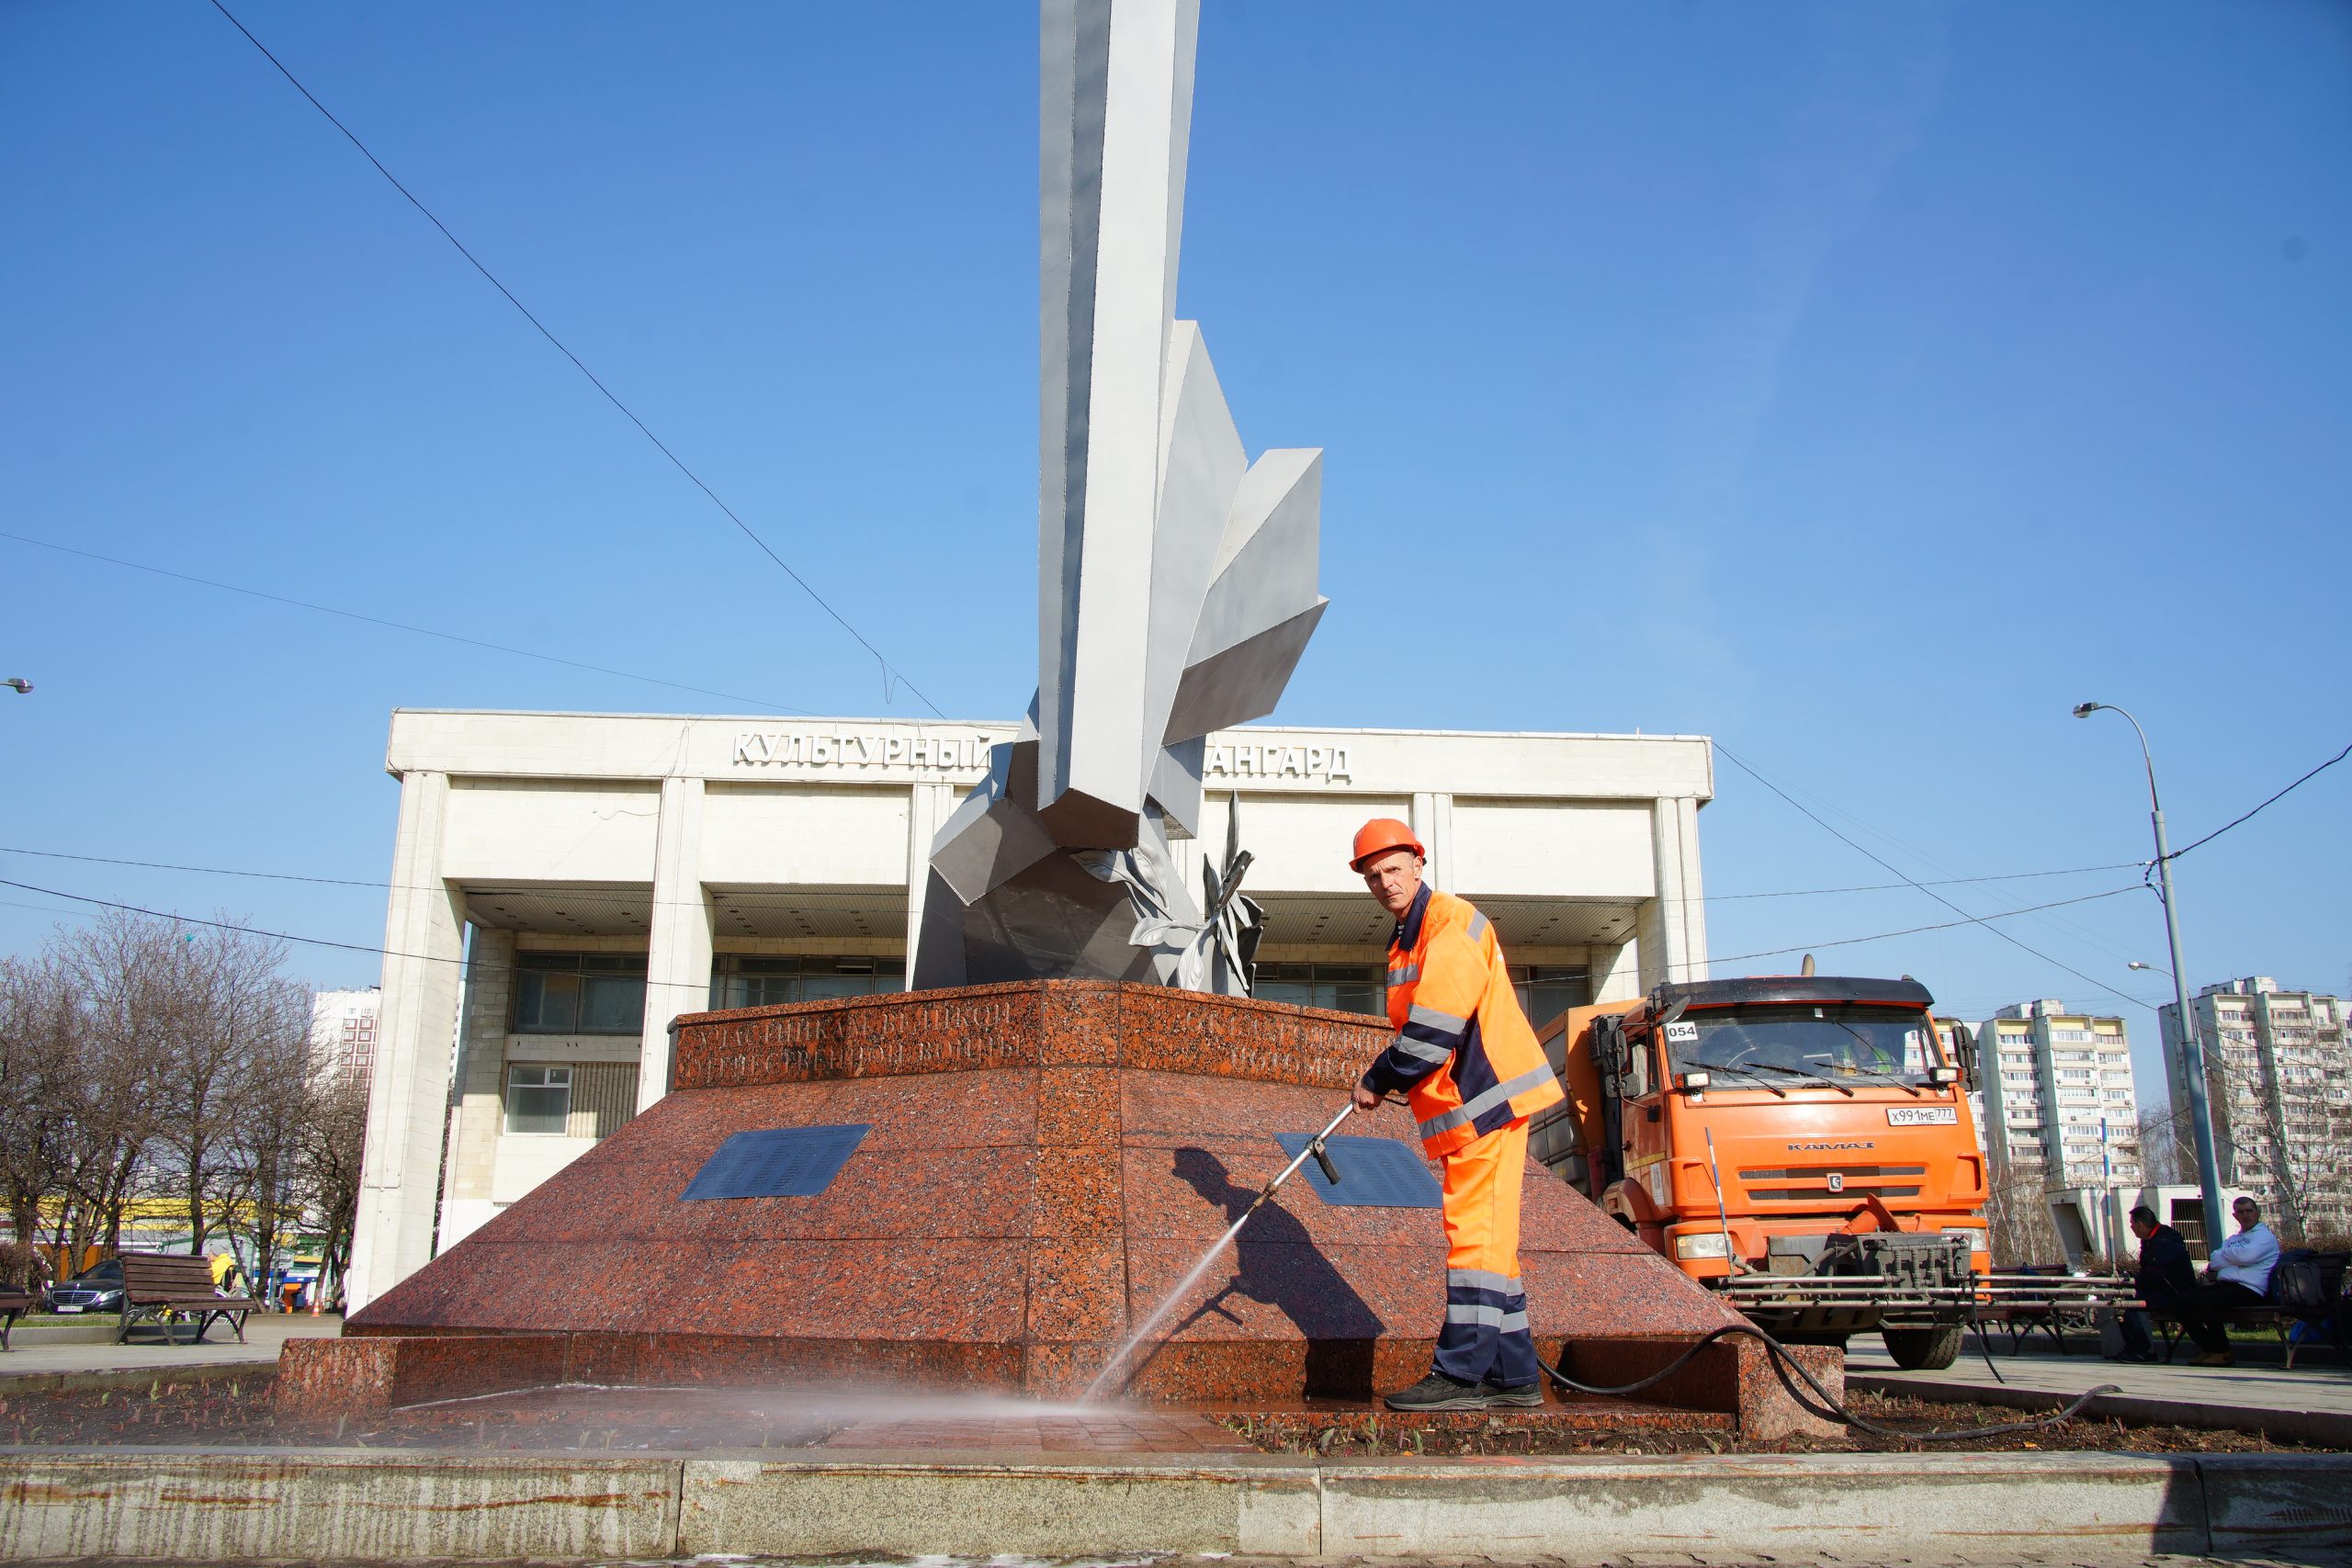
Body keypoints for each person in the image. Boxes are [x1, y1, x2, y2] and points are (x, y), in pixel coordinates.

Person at [1345, 818, 1566, 1411]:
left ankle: (1460, 1371)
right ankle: (1515, 1375)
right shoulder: (1406, 941)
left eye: (1394, 869)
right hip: (1466, 1115)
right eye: (1373, 876)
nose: (1385, 882)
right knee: (1491, 1244)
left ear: (1419, 864)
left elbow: (1430, 1033)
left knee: (1474, 1240)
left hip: (1485, 1106)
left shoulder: (1450, 924)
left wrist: (1378, 1077)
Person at [2183, 1196, 2279, 1367]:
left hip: (2251, 1289)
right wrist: (2237, 1256)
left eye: (2249, 1211)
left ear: (2257, 1213)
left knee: (2207, 1301)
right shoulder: (2233, 1239)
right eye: (2240, 1212)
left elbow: (2248, 1256)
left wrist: (2230, 1256)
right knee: (2182, 1302)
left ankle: (2222, 1352)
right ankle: (2209, 1348)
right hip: (2226, 1286)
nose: (2245, 1216)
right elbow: (2215, 1261)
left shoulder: (2265, 1236)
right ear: (2235, 1216)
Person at [2113, 1205, 2194, 1362]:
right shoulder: (2152, 1240)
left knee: (2127, 1304)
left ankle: (2143, 1350)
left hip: (2175, 1293)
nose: (2131, 1227)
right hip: (2162, 1290)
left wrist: (2134, 1285)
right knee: (2122, 1302)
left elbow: (2154, 1275)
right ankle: (2132, 1348)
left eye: (2131, 1224)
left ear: (2140, 1224)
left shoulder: (2165, 1243)